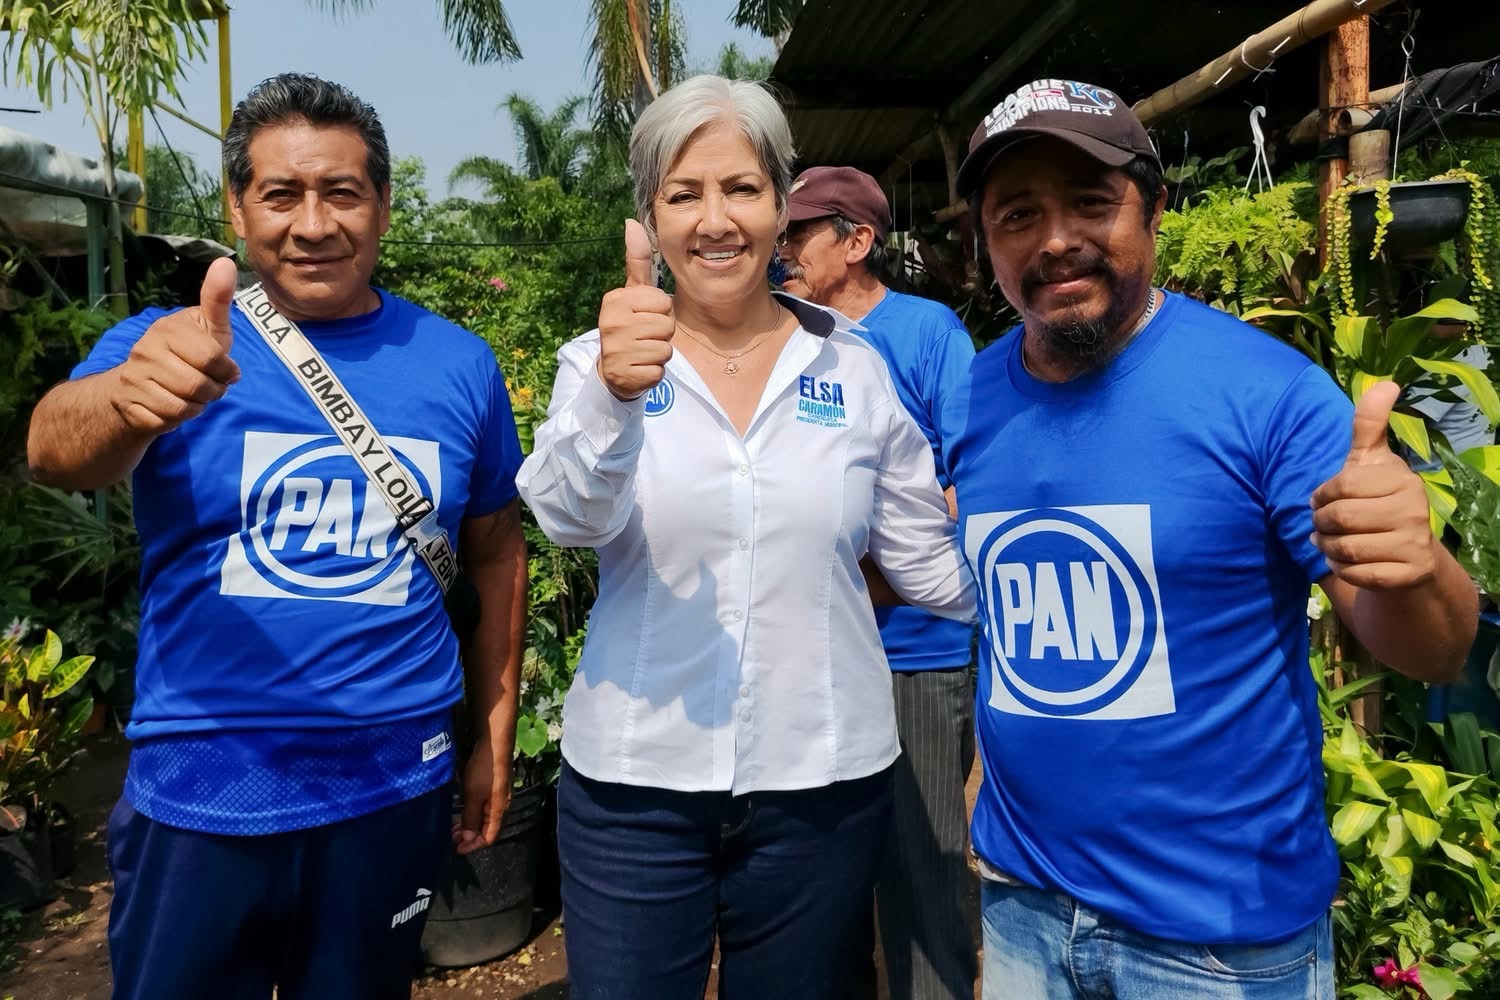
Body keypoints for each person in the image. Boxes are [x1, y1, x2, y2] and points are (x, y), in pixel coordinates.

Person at [940, 78, 1479, 1000]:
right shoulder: (969, 397)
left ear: (1153, 211)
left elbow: (1435, 648)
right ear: (985, 242)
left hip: (1216, 943)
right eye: (1019, 213)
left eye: (1091, 202)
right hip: (1025, 904)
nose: (1057, 238)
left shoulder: (1265, 393)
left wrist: (1415, 563)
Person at [26, 73, 528, 1000]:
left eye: (341, 192)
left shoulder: (460, 364)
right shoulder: (167, 344)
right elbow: (55, 446)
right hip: (202, 786)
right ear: (238, 206)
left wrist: (492, 731)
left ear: (381, 204)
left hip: (392, 787)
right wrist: (124, 401)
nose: (313, 224)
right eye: (281, 194)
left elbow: (497, 548)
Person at [515, 74, 975, 1000]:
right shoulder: (596, 362)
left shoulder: (852, 368)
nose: (714, 219)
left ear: (778, 203)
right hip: (634, 787)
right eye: (683, 194)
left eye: (741, 189)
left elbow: (929, 562)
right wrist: (615, 395)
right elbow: (567, 517)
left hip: (823, 783)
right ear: (650, 215)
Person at [782, 165, 978, 1000]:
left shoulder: (929, 335)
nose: (778, 247)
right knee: (815, 877)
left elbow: (970, 485)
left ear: (856, 241)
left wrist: (859, 564)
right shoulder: (781, 337)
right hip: (807, 650)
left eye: (796, 232)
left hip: (915, 654)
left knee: (922, 867)